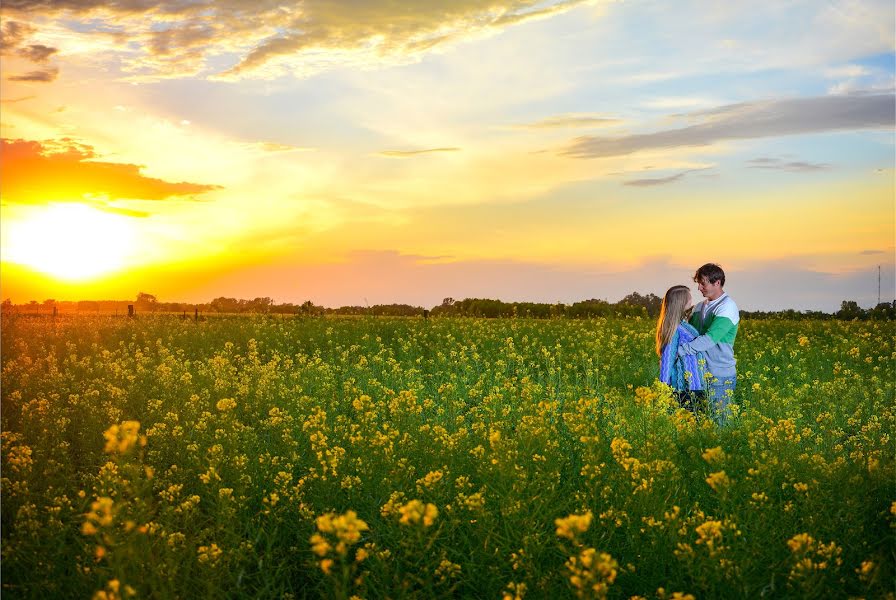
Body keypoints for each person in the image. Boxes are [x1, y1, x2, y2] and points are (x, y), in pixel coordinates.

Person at [677, 263, 739, 424]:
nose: (699, 288)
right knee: (701, 422)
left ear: (717, 282)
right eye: (698, 283)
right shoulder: (698, 307)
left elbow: (710, 339)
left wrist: (680, 351)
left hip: (720, 376)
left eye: (702, 283)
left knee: (721, 424)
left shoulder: (727, 307)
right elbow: (688, 333)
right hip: (699, 374)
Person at [656, 285, 707, 412]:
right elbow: (667, 359)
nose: (691, 299)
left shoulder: (683, 323)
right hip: (684, 388)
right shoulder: (674, 328)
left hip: (696, 384)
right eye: (689, 297)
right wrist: (663, 388)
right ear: (681, 301)